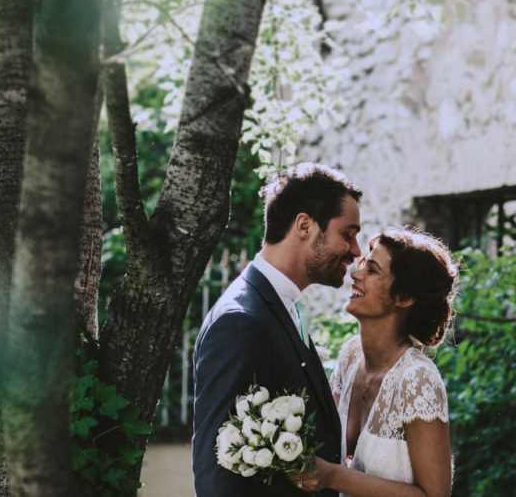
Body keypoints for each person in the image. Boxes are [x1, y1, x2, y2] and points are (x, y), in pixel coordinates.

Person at [192, 163, 363, 497]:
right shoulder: (241, 321)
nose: (356, 251)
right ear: (304, 226)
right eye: (348, 234)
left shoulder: (281, 306)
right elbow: (217, 473)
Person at [291, 226, 457, 497]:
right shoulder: (351, 355)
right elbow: (325, 445)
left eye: (372, 270)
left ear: (404, 298)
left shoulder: (417, 379)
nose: (355, 275)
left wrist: (335, 476)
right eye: (362, 265)